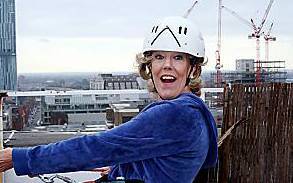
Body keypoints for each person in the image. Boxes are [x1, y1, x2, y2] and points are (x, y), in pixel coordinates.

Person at [0, 16, 218, 183]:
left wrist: (17, 158)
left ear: (193, 68)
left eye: (178, 57)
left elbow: (99, 147)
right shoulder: (196, 111)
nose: (167, 65)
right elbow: (159, 160)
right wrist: (121, 168)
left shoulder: (175, 114)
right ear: (149, 66)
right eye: (159, 57)